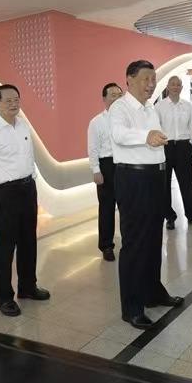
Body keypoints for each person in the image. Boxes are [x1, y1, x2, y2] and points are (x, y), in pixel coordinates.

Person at [110, 61, 183, 329]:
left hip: (155, 177)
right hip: (133, 179)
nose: (151, 84)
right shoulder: (119, 107)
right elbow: (119, 134)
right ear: (129, 79)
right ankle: (131, 307)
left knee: (153, 239)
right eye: (146, 79)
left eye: (153, 79)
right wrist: (146, 135)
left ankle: (153, 292)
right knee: (135, 243)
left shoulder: (151, 107)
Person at [0, 85, 50, 317]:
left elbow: (29, 157)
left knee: (29, 241)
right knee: (5, 246)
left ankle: (27, 287)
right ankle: (4, 298)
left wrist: (33, 181)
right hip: (4, 192)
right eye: (8, 100)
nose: (13, 104)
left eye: (16, 99)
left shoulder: (23, 125)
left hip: (27, 189)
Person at [155, 75, 192, 230]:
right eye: (173, 84)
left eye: (178, 85)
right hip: (165, 147)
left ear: (181, 88)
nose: (175, 87)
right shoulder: (159, 106)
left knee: (186, 183)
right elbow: (156, 128)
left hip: (183, 147)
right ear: (168, 87)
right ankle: (169, 216)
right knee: (164, 184)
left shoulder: (187, 106)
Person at [88, 83, 123, 262]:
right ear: (104, 99)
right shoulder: (96, 122)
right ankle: (106, 246)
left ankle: (129, 241)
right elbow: (92, 148)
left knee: (127, 206)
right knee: (107, 208)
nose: (117, 98)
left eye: (119, 95)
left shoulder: (127, 119)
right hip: (107, 166)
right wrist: (96, 170)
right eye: (113, 95)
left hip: (125, 164)